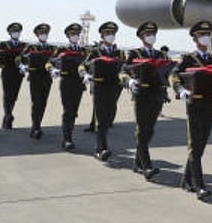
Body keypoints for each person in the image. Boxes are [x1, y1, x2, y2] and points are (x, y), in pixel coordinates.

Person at [169, 21, 212, 201]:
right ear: (195, 39)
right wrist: (180, 89)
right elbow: (173, 75)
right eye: (202, 35)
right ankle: (199, 185)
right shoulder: (188, 59)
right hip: (194, 105)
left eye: (207, 35)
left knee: (200, 146)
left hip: (210, 106)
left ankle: (186, 180)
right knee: (195, 145)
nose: (206, 38)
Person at [121, 21, 170, 180]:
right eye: (148, 35)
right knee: (142, 130)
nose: (152, 37)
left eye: (153, 34)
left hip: (157, 95)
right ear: (142, 37)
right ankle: (146, 166)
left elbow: (169, 72)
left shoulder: (161, 55)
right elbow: (123, 71)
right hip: (142, 94)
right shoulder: (135, 54)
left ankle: (137, 163)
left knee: (150, 130)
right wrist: (129, 81)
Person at [80, 22, 125, 162]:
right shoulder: (95, 52)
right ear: (102, 36)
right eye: (107, 34)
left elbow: (126, 68)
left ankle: (102, 146)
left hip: (114, 87)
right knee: (101, 118)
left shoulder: (120, 53)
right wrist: (85, 74)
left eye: (112, 34)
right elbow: (83, 65)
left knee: (108, 117)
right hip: (100, 86)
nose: (110, 36)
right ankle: (101, 149)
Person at [50, 23, 88, 150]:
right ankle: (67, 139)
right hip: (66, 83)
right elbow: (50, 62)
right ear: (68, 36)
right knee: (68, 111)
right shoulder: (62, 50)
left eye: (77, 34)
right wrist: (53, 70)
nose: (75, 36)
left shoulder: (84, 51)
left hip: (79, 84)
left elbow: (89, 64)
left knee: (74, 112)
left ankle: (69, 135)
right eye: (73, 34)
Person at [17, 23, 57, 139]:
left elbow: (57, 60)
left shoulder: (52, 48)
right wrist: (22, 65)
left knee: (43, 102)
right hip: (35, 77)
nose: (44, 35)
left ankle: (38, 124)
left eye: (45, 33)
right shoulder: (31, 47)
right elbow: (20, 58)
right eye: (41, 33)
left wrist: (56, 69)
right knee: (36, 102)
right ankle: (35, 127)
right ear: (37, 35)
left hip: (47, 78)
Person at [0, 22, 27, 129]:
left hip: (18, 73)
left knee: (14, 95)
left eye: (18, 31)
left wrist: (25, 65)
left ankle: (7, 115)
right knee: (7, 94)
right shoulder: (4, 45)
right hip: (7, 72)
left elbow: (28, 58)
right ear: (10, 33)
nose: (16, 33)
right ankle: (8, 115)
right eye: (14, 31)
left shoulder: (24, 46)